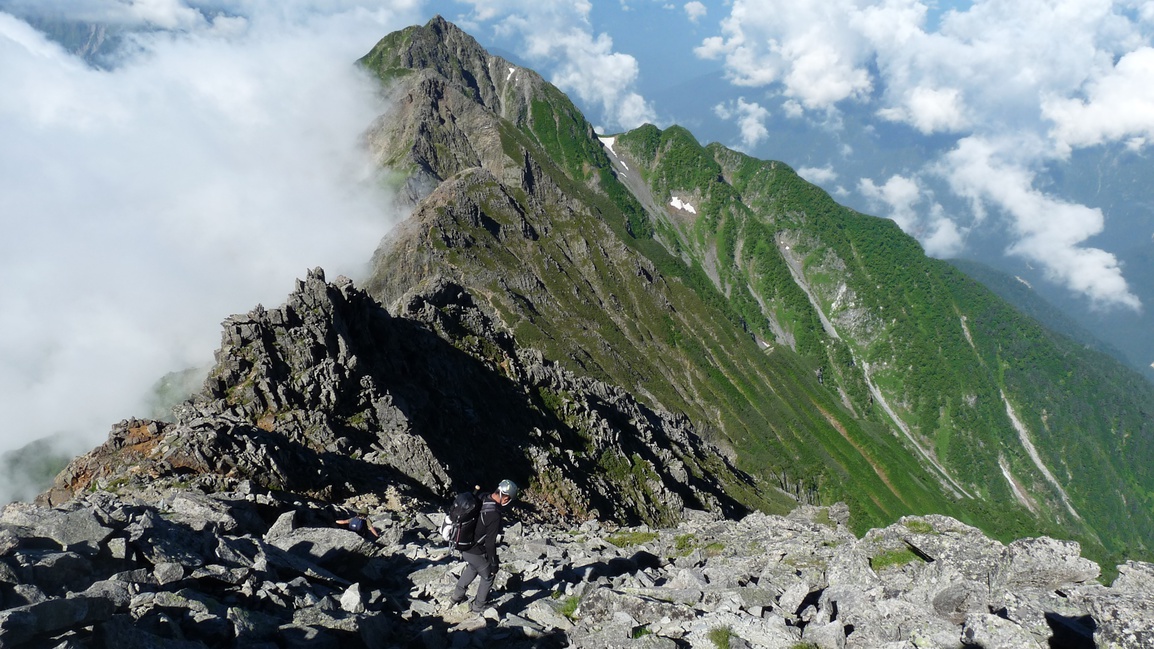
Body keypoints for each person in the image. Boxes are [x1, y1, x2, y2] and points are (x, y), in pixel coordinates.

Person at [450, 479, 518, 613]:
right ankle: (479, 606)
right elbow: (490, 543)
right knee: (488, 576)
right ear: (505, 498)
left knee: (474, 567)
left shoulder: (483, 497)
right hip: (474, 549)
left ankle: (456, 597)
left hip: (463, 545)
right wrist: (494, 564)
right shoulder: (494, 514)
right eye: (509, 499)